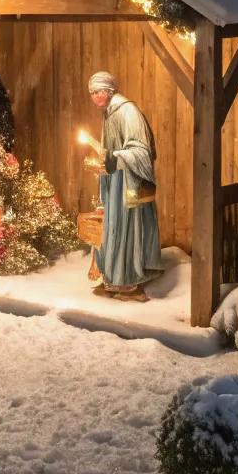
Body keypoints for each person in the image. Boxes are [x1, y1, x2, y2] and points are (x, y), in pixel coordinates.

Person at [82, 71, 163, 301]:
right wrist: (102, 161)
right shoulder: (109, 113)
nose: (95, 96)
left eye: (98, 91)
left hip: (128, 182)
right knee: (113, 229)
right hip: (114, 182)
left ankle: (128, 280)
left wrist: (114, 158)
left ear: (109, 91)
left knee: (127, 228)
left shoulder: (127, 111)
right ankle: (113, 279)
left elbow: (141, 151)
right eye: (92, 93)